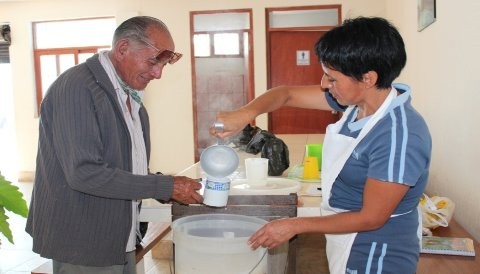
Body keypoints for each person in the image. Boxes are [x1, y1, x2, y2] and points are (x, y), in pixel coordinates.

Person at [210, 17, 431, 274]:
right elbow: (286, 94)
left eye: (332, 78)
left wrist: (294, 225)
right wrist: (246, 113)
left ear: (368, 78)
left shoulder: (398, 135)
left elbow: (372, 217)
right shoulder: (357, 104)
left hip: (377, 252)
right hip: (346, 238)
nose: (325, 85)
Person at [26, 16, 203, 273]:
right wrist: (166, 185)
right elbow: (84, 173)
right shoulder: (78, 88)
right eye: (153, 61)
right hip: (84, 242)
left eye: (163, 65)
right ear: (122, 49)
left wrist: (163, 188)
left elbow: (119, 167)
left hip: (120, 236)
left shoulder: (128, 95)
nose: (158, 73)